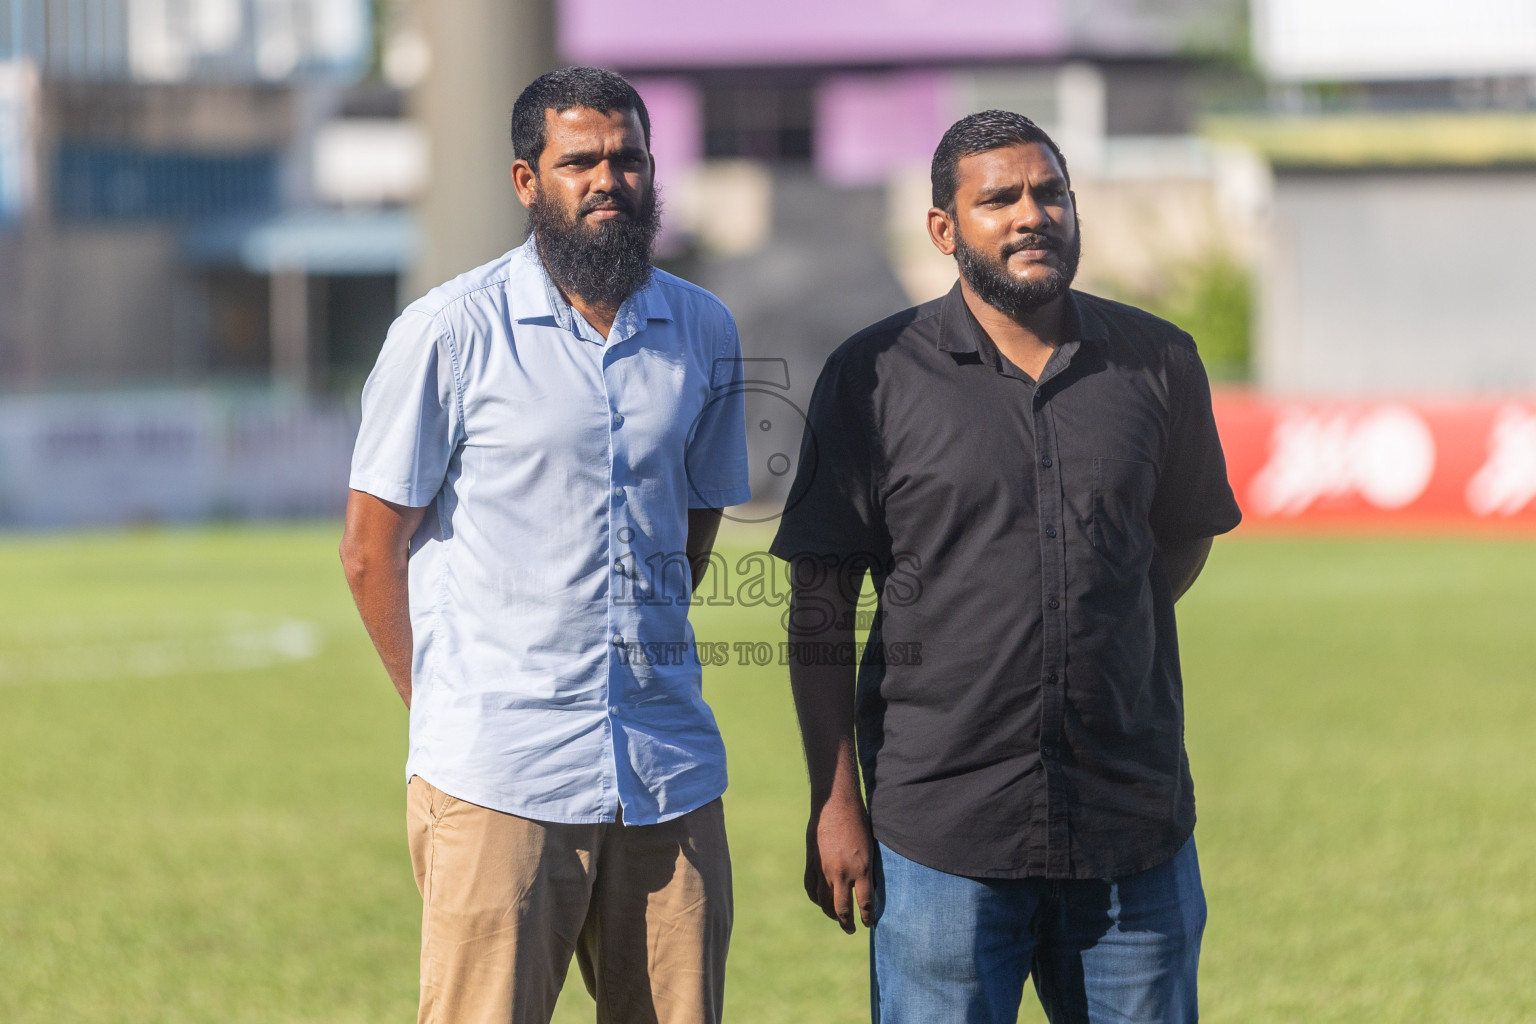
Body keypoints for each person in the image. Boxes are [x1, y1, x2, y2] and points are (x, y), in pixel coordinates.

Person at [770, 110, 1242, 1023]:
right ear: (945, 229)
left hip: (1130, 825)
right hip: (942, 837)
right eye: (1001, 199)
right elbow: (820, 602)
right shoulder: (872, 376)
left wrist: (1102, 609)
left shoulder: (1159, 360)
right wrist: (835, 804)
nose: (1034, 214)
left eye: (1050, 192)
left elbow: (1179, 538)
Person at [340, 67, 750, 1024]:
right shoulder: (450, 330)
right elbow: (371, 549)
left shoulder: (703, 328)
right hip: (500, 778)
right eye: (580, 162)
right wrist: (441, 702)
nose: (608, 179)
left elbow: (695, 515)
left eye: (629, 158)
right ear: (528, 181)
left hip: (667, 768)